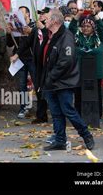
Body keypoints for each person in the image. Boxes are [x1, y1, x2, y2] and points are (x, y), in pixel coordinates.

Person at [41, 9, 95, 151]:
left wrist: (51, 76)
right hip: (52, 82)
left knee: (68, 111)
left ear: (54, 21)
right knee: (56, 113)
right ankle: (60, 140)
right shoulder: (51, 36)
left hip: (63, 82)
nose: (44, 21)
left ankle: (87, 135)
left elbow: (66, 61)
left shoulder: (66, 36)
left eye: (46, 19)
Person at [11, 7, 50, 124]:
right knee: (28, 85)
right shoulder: (35, 29)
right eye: (40, 14)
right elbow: (26, 43)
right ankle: (40, 115)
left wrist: (42, 28)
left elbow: (51, 38)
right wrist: (16, 55)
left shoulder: (48, 28)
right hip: (29, 61)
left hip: (42, 62)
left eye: (43, 14)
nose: (41, 15)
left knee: (41, 87)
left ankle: (46, 112)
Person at [69, 11, 103, 119]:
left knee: (96, 95)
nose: (85, 28)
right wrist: (78, 14)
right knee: (79, 94)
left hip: (95, 73)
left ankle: (97, 116)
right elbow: (71, 28)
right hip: (80, 72)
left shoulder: (98, 38)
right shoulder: (77, 37)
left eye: (88, 26)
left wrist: (94, 14)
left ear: (93, 27)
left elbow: (102, 27)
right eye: (83, 26)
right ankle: (79, 116)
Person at [7, 6, 36, 119]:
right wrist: (9, 33)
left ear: (28, 14)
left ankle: (42, 108)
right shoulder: (15, 26)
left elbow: (32, 42)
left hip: (32, 58)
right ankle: (23, 107)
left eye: (21, 12)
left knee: (36, 82)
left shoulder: (33, 26)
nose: (18, 14)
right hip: (19, 59)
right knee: (22, 84)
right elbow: (10, 44)